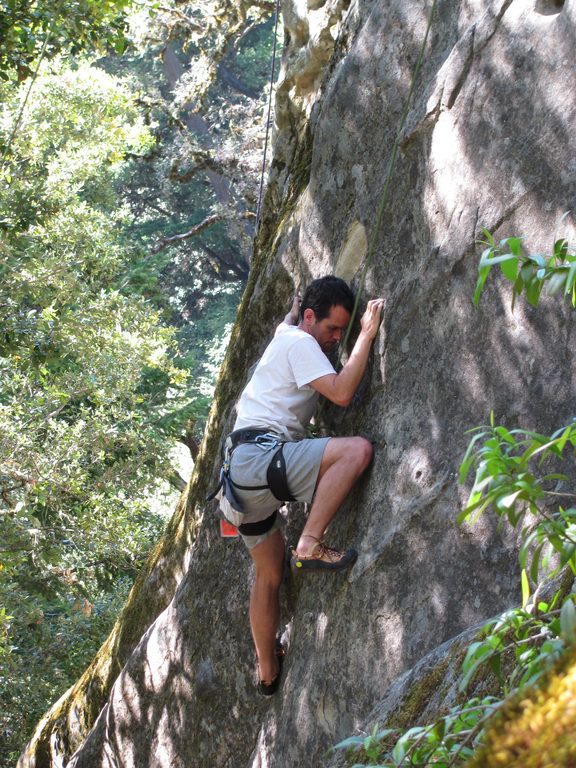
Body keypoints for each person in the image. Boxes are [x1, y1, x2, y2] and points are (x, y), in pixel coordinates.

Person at [218, 276, 384, 695]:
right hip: (260, 461)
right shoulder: (300, 344)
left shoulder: (288, 333)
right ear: (310, 318)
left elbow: (286, 320)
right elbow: (342, 392)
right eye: (332, 329)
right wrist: (365, 334)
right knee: (356, 451)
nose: (334, 340)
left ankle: (266, 671)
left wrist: (295, 310)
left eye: (341, 333)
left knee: (269, 575)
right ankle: (310, 543)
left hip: (239, 484)